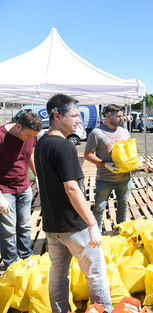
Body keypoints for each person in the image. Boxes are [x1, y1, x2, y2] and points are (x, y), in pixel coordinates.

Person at [34, 94, 112, 313]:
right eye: (75, 115)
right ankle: (103, 311)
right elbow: (72, 189)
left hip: (52, 226)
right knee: (96, 273)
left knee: (58, 275)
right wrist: (92, 224)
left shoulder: (41, 144)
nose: (79, 120)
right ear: (57, 115)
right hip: (74, 226)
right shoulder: (65, 147)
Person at [0, 112, 42, 269]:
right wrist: (0, 197)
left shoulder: (31, 135)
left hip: (24, 187)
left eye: (34, 136)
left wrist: (37, 175)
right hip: (4, 189)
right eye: (28, 135)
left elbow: (30, 153)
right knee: (8, 229)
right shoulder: (1, 137)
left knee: (24, 225)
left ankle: (25, 255)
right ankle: (11, 263)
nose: (30, 138)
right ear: (18, 126)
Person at [85, 104, 131, 231]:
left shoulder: (125, 132)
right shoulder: (97, 133)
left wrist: (132, 162)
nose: (122, 119)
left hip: (125, 178)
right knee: (99, 207)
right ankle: (96, 234)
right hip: (105, 178)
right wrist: (105, 164)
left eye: (122, 116)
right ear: (109, 116)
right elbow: (87, 155)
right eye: (119, 116)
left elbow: (128, 152)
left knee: (123, 205)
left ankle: (119, 231)